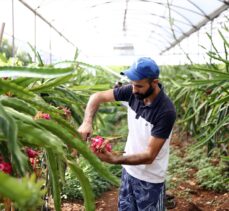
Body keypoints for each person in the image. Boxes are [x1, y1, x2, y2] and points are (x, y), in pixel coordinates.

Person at [78, 57, 176, 211]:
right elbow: (96, 97)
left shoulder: (166, 111)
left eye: (139, 86)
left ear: (154, 83)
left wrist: (114, 159)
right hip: (128, 172)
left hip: (150, 180)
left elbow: (149, 155)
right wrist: (87, 121)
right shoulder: (132, 92)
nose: (134, 89)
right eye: (132, 84)